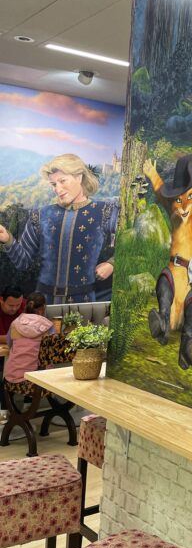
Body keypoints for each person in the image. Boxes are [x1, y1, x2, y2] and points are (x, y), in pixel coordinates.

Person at [0, 153, 118, 304]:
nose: (57, 189)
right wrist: (8, 240)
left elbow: (133, 242)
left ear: (79, 177)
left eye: (62, 181)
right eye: (54, 184)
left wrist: (112, 263)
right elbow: (23, 262)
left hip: (83, 301)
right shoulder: (40, 215)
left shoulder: (105, 211)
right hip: (42, 303)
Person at [3, 292, 55, 385]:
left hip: (12, 378)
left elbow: (9, 344)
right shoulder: (48, 326)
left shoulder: (15, 323)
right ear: (43, 308)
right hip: (39, 380)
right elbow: (52, 351)